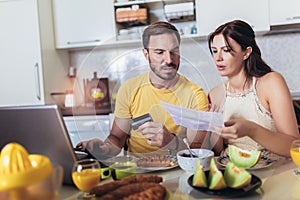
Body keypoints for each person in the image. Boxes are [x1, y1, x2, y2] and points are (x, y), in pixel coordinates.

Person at [77, 21, 209, 158]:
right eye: (159, 52)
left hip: (178, 171)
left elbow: (199, 151)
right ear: (146, 54)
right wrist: (103, 148)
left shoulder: (196, 95)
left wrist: (171, 142)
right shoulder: (129, 89)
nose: (169, 59)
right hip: (137, 171)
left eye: (174, 51)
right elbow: (117, 137)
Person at [207, 19, 300, 160]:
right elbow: (219, 150)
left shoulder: (271, 83)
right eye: (214, 51)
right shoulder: (215, 95)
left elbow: (293, 146)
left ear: (246, 53)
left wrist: (251, 129)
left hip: (275, 173)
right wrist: (212, 129)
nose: (218, 58)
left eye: (226, 50)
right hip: (232, 172)